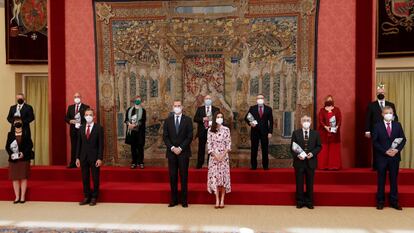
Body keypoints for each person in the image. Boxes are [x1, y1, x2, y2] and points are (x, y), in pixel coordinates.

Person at [372, 106, 406, 210]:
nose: (389, 115)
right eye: (386, 113)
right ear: (382, 114)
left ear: (393, 114)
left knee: (394, 180)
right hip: (382, 157)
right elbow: (375, 142)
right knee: (381, 180)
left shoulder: (397, 125)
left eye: (390, 113)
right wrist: (385, 151)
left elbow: (403, 139)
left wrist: (397, 150)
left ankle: (394, 201)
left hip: (394, 157)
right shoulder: (377, 126)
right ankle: (380, 201)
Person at [163, 100, 193, 208]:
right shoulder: (168, 121)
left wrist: (180, 148)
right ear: (172, 107)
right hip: (171, 153)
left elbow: (190, 136)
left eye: (179, 106)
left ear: (182, 107)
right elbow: (165, 137)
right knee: (173, 177)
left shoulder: (188, 120)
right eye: (175, 106)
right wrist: (172, 148)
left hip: (183, 152)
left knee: (184, 176)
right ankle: (174, 200)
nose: (177, 107)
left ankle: (184, 200)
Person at [291, 115, 322, 209]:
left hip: (311, 162)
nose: (306, 122)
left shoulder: (315, 134)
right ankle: (299, 201)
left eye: (308, 120)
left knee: (310, 183)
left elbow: (319, 146)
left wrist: (312, 154)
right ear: (301, 122)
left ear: (311, 122)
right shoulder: (296, 133)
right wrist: (298, 155)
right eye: (304, 120)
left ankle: (309, 202)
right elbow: (292, 147)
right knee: (299, 183)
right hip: (299, 162)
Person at [365, 84, 398, 170]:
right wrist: (367, 130)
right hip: (376, 130)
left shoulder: (391, 104)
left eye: (382, 92)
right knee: (377, 147)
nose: (381, 93)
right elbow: (368, 118)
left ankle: (388, 166)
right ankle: (377, 166)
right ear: (376, 93)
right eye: (379, 92)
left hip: (389, 129)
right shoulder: (371, 105)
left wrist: (395, 128)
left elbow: (395, 117)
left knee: (389, 146)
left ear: (385, 93)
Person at [76, 108, 104, 206]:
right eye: (87, 115)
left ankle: (94, 197)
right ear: (84, 116)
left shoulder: (99, 128)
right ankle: (87, 196)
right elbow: (78, 144)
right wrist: (77, 158)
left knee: (95, 178)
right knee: (85, 178)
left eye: (90, 115)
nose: (88, 116)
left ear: (94, 116)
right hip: (83, 157)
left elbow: (101, 144)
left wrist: (100, 158)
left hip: (95, 157)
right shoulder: (81, 128)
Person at [5, 116, 33, 204]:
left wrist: (23, 153)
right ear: (13, 123)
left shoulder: (26, 132)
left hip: (24, 158)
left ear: (22, 122)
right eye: (16, 121)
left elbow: (30, 145)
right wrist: (11, 154)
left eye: (19, 121)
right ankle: (17, 197)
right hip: (14, 159)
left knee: (23, 178)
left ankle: (22, 197)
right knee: (15, 178)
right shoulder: (10, 134)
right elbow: (7, 147)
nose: (17, 122)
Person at [207, 112, 231, 209]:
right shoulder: (210, 130)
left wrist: (223, 155)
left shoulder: (226, 130)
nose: (219, 118)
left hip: (224, 157)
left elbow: (228, 144)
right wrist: (215, 155)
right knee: (215, 179)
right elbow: (209, 145)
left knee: (223, 179)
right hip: (214, 158)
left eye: (221, 117)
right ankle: (217, 199)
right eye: (218, 117)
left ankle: (222, 200)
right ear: (214, 118)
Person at [244, 94, 273, 170]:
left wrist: (270, 132)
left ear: (264, 99)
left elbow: (271, 122)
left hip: (265, 132)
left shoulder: (268, 109)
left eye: (261, 98)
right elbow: (246, 117)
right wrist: (250, 123)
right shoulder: (252, 108)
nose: (260, 99)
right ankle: (253, 166)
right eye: (258, 98)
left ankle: (265, 166)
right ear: (256, 100)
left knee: (265, 149)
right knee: (254, 149)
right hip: (255, 132)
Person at [193, 95, 219, 169]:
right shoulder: (200, 109)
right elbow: (195, 118)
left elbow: (219, 119)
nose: (208, 100)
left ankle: (210, 164)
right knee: (201, 148)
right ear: (204, 100)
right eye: (207, 98)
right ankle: (199, 164)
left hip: (212, 131)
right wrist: (203, 119)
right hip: (202, 131)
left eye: (209, 98)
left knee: (211, 148)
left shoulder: (216, 109)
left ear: (211, 100)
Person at [65, 93, 90, 168]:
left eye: (78, 96)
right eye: (75, 97)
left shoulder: (86, 107)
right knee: (74, 146)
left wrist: (83, 125)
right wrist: (70, 121)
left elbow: (88, 118)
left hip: (83, 130)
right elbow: (66, 118)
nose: (76, 98)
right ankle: (73, 163)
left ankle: (84, 163)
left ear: (81, 97)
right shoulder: (70, 107)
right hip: (73, 130)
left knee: (83, 146)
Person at [317, 95, 342, 170]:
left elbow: (339, 119)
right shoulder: (322, 110)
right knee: (324, 150)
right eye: (328, 100)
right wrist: (326, 127)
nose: (329, 101)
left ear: (333, 101)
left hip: (334, 133)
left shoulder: (337, 109)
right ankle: (323, 166)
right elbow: (320, 120)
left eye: (330, 100)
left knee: (333, 149)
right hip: (324, 133)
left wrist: (337, 127)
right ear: (325, 101)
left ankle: (334, 166)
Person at [125, 96, 146, 169]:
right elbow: (126, 120)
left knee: (140, 147)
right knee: (133, 148)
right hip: (132, 132)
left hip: (140, 132)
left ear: (140, 101)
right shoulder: (129, 110)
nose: (137, 101)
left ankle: (141, 162)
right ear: (134, 101)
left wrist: (135, 125)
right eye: (136, 100)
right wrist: (129, 124)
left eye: (139, 100)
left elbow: (143, 120)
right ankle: (134, 162)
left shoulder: (143, 110)